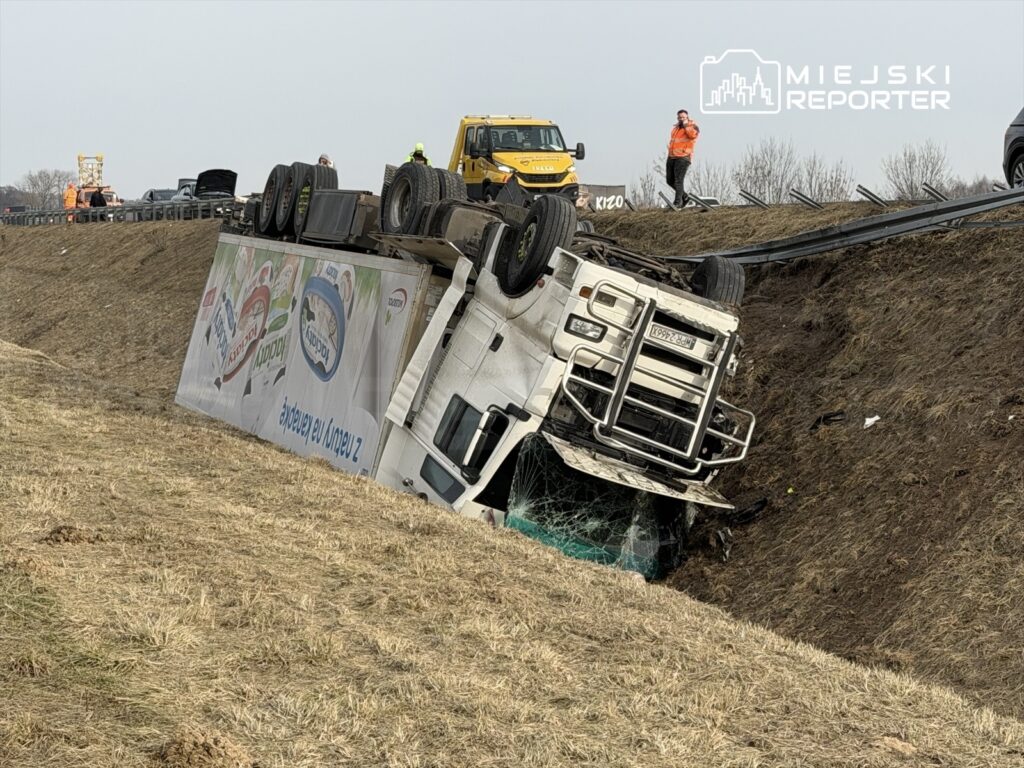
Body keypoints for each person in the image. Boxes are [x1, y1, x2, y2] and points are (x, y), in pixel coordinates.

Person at [666, 109, 700, 208]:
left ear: (687, 117)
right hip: (672, 156)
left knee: (678, 180)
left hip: (683, 157)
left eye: (683, 117)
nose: (681, 119)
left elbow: (692, 135)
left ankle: (678, 202)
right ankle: (685, 197)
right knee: (669, 180)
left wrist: (686, 125)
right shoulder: (676, 128)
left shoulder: (692, 126)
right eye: (680, 117)